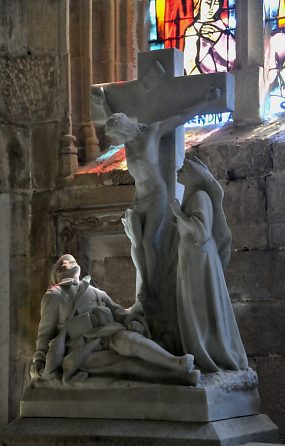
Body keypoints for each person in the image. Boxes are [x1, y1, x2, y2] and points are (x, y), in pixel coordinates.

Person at [105, 87, 221, 301]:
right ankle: (144, 287)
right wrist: (104, 100)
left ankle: (152, 286)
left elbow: (180, 117)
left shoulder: (152, 132)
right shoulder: (128, 145)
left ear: (124, 129)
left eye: (116, 135)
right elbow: (112, 115)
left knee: (149, 241)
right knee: (136, 242)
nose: (116, 140)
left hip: (156, 195)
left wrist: (205, 100)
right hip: (138, 199)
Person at [30, 254, 199, 385]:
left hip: (110, 334)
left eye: (73, 260)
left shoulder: (96, 292)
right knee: (128, 364)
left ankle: (176, 363)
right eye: (66, 261)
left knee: (127, 338)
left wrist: (134, 321)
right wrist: (39, 361)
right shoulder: (54, 296)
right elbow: (45, 334)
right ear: (58, 271)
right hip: (81, 348)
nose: (71, 261)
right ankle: (178, 376)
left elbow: (121, 314)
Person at [170, 158, 248, 372]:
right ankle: (200, 352)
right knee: (192, 307)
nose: (178, 173)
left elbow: (202, 233)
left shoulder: (200, 196)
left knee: (200, 307)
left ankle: (210, 355)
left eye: (183, 170)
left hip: (200, 258)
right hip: (191, 257)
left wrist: (179, 214)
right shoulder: (191, 196)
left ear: (194, 174)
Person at [184, 0, 236, 75]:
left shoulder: (221, 27)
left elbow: (233, 56)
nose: (211, 8)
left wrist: (218, 38)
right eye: (208, 3)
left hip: (227, 79)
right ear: (198, 3)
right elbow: (190, 64)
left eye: (216, 3)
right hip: (204, 81)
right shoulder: (192, 30)